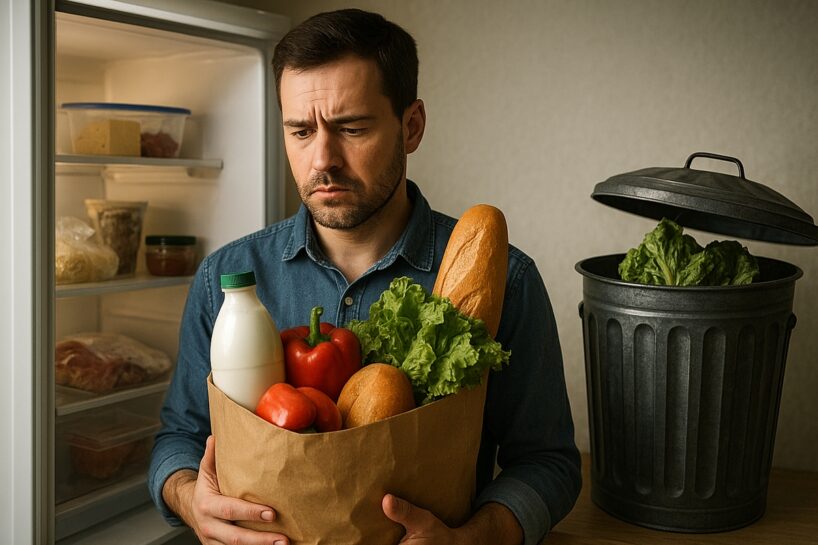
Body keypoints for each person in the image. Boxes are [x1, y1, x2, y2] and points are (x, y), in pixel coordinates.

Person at [148, 8, 580, 545]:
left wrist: (475, 538)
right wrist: (193, 501)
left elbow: (548, 462)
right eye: (300, 131)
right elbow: (179, 439)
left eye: (351, 128)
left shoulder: (507, 281)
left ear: (412, 126)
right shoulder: (227, 276)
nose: (322, 159)